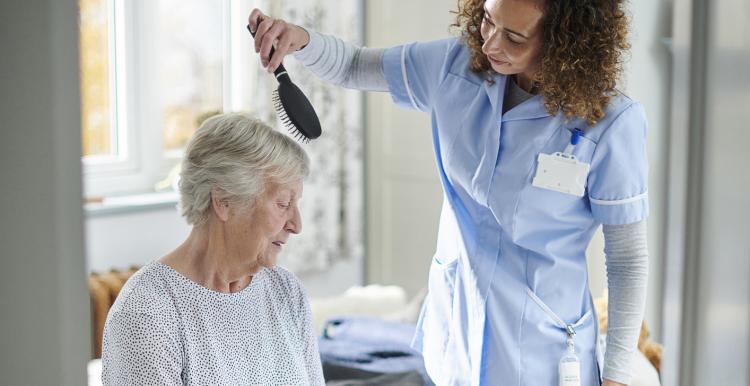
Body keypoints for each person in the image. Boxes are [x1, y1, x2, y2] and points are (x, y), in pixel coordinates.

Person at [248, 0, 649, 385]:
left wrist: (616, 375)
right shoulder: (457, 67)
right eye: (489, 20)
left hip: (542, 348)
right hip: (455, 328)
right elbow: (355, 65)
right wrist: (300, 39)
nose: (491, 44)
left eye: (514, 37)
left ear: (565, 40)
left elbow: (628, 259)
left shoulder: (610, 123)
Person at [101, 113, 325, 385]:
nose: (296, 225)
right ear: (224, 201)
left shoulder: (286, 292)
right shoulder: (147, 311)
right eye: (282, 204)